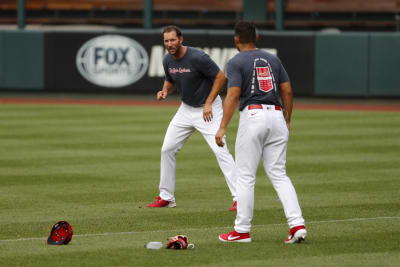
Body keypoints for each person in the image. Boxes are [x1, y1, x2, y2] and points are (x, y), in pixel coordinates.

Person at [215, 21, 307, 243]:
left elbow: (233, 95)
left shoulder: (236, 61)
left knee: (245, 176)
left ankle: (242, 230)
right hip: (276, 115)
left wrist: (222, 126)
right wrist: (287, 120)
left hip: (254, 116)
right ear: (256, 37)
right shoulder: (273, 59)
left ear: (236, 40)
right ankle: (297, 225)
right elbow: (287, 91)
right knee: (279, 173)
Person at [146, 25, 238, 211]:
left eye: (172, 40)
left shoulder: (197, 57)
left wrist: (209, 102)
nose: (169, 44)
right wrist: (165, 91)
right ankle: (166, 196)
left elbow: (220, 78)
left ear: (181, 39)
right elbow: (170, 80)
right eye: (166, 41)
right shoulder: (167, 60)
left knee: (220, 151)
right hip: (186, 109)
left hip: (209, 110)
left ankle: (240, 198)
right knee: (167, 149)